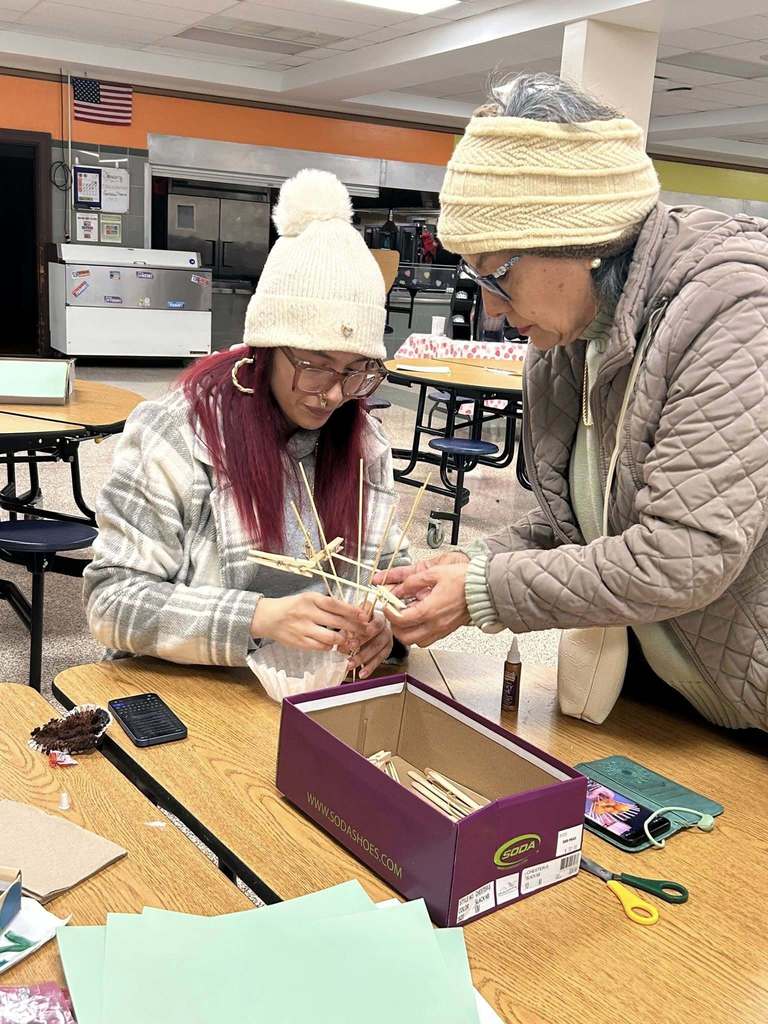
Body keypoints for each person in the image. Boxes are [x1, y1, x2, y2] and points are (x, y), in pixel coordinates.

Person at [378, 73, 768, 732]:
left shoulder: (732, 313)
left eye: (498, 275)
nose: (494, 311)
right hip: (666, 690)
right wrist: (473, 560)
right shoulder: (568, 337)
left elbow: (680, 558)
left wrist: (483, 593)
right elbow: (573, 524)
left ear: (581, 239)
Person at [85, 169, 405, 680]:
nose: (334, 393)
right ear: (265, 350)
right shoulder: (180, 431)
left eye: (356, 371)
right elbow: (112, 600)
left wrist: (383, 628)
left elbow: (389, 576)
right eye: (315, 364)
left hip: (317, 692)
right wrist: (259, 617)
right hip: (192, 689)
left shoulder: (363, 443)